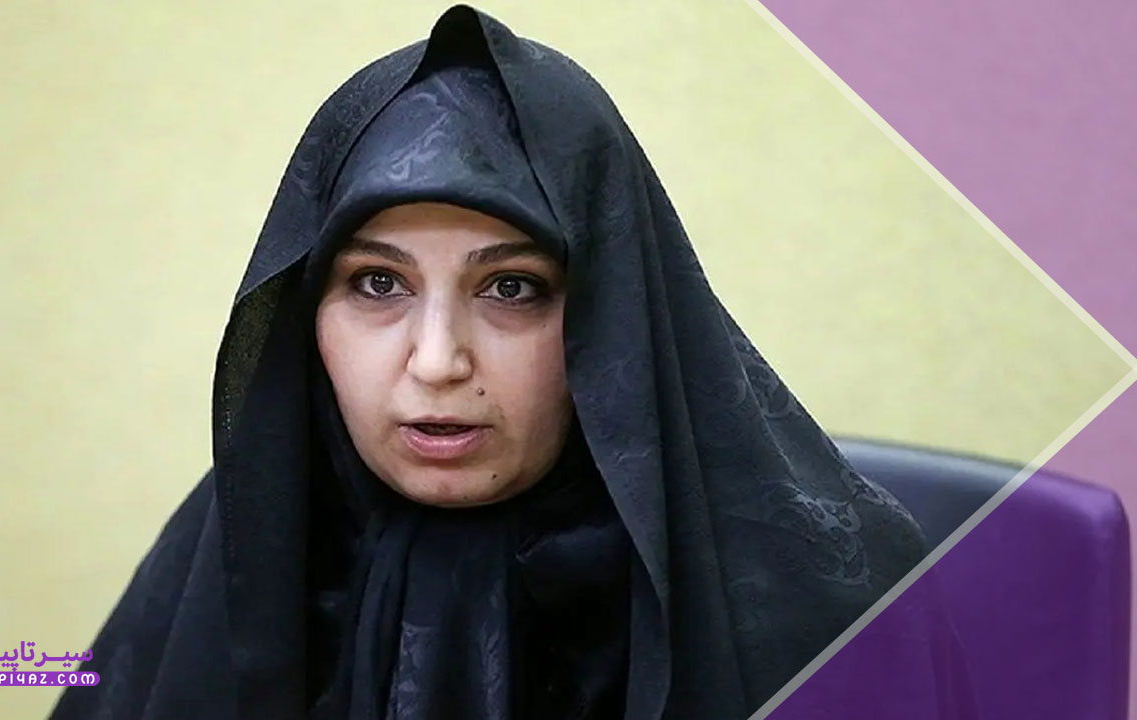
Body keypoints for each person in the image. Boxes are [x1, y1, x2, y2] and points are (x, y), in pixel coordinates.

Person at [49, 6, 931, 719]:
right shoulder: (247, 547)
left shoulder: (830, 615)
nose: (436, 361)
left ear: (610, 318)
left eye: (512, 288)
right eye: (377, 283)